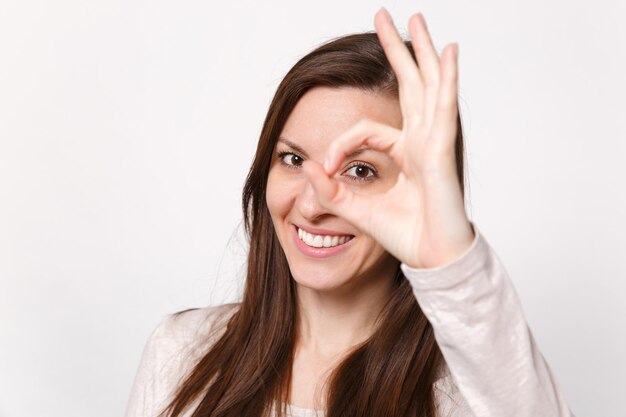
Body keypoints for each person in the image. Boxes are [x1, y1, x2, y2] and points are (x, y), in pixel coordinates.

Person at [125, 8, 574, 417]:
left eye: (360, 170)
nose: (312, 204)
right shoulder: (181, 351)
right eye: (294, 160)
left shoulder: (466, 394)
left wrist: (449, 258)